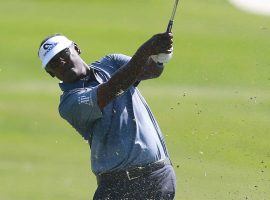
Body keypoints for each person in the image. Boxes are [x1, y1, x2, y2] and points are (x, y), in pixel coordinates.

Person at [38, 32, 176, 199]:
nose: (61, 62)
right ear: (52, 73)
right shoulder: (69, 103)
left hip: (158, 177)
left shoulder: (111, 63)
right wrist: (147, 49)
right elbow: (112, 89)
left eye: (64, 54)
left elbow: (150, 70)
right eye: (54, 63)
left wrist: (160, 56)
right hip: (116, 187)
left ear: (76, 48)